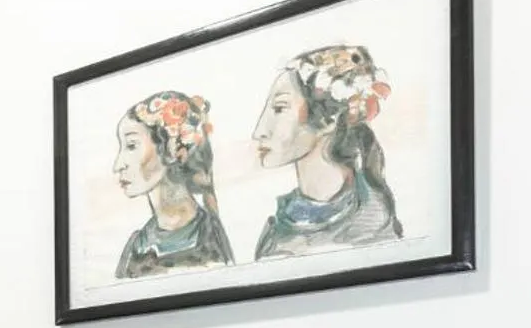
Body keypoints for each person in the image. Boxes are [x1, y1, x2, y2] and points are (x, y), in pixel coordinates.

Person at [249, 45, 400, 258]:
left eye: (279, 108)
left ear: (329, 120)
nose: (259, 131)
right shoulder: (278, 229)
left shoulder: (369, 229)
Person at [109, 90, 234, 279]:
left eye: (132, 146)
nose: (118, 165)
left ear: (173, 149)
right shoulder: (137, 244)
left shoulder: (207, 235)